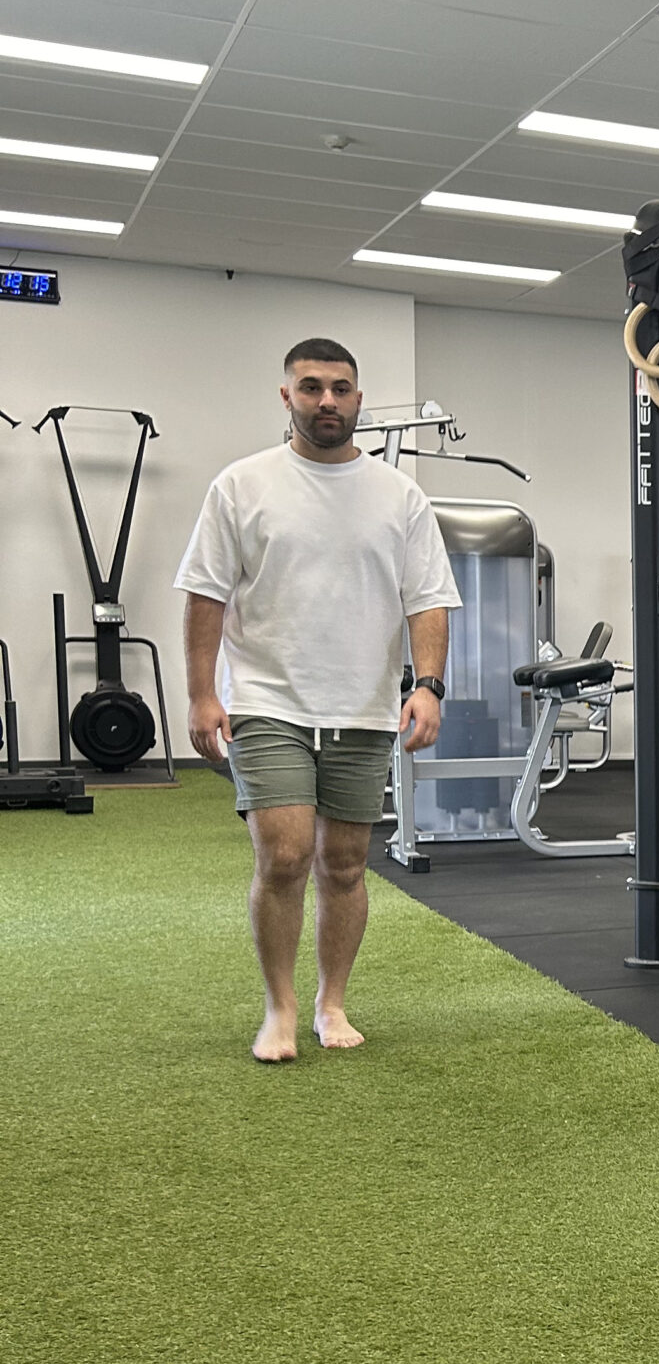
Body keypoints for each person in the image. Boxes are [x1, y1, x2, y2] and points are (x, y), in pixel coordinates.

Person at [176, 338, 460, 1063]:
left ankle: (332, 1002)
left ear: (358, 399)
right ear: (287, 397)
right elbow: (206, 594)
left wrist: (427, 685)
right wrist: (203, 694)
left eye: (340, 388)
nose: (326, 401)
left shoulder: (399, 495)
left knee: (343, 864)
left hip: (362, 706)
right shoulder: (242, 485)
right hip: (268, 698)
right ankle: (280, 1007)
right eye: (311, 388)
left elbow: (428, 600)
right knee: (284, 855)